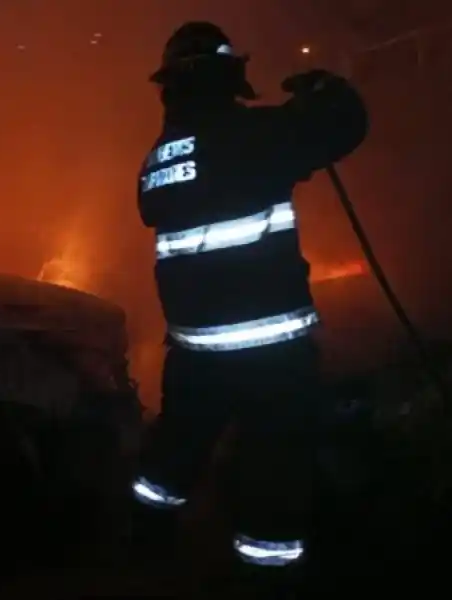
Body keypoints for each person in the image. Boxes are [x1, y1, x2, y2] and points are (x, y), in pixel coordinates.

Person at [131, 21, 368, 576]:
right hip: (269, 352)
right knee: (274, 464)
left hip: (193, 353)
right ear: (226, 76)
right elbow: (343, 128)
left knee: (174, 453)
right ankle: (268, 573)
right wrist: (324, 91)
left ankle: (145, 545)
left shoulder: (158, 161)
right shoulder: (253, 136)